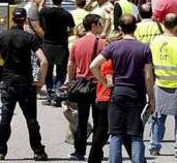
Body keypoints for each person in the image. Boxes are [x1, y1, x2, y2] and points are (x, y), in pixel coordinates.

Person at [0, 8, 49, 161]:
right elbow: (44, 61)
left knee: (5, 119)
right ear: (25, 20)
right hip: (25, 83)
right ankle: (38, 151)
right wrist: (40, 81)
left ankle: (0, 151)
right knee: (31, 120)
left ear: (12, 19)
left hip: (8, 82)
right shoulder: (29, 38)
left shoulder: (2, 36)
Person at [90, 14, 155, 163]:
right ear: (135, 27)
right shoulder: (144, 48)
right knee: (136, 133)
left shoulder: (113, 46)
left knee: (116, 134)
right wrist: (151, 97)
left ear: (120, 28)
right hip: (136, 93)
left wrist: (104, 82)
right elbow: (148, 77)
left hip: (117, 92)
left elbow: (93, 65)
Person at [67, 14, 106, 160]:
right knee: (99, 121)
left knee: (82, 120)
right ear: (94, 25)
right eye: (100, 24)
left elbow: (71, 65)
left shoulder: (76, 43)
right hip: (97, 85)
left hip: (81, 84)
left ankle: (79, 151)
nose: (102, 27)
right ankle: (96, 153)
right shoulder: (103, 43)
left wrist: (70, 82)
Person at [39, 0, 75, 106]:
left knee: (48, 72)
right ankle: (58, 94)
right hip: (61, 46)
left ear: (52, 0)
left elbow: (40, 7)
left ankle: (50, 95)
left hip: (48, 45)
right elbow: (72, 30)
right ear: (62, 0)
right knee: (61, 72)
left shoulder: (46, 12)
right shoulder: (67, 14)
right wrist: (64, 35)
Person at [149, 13, 177, 157]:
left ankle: (154, 146)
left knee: (158, 118)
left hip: (159, 83)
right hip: (176, 85)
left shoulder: (155, 41)